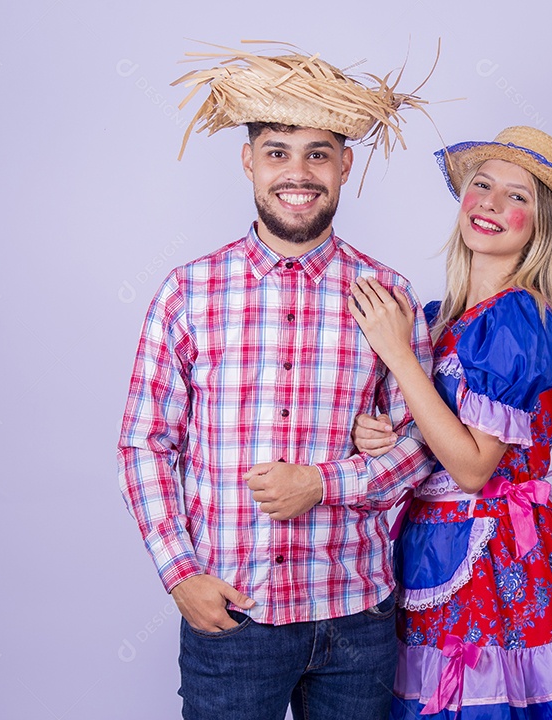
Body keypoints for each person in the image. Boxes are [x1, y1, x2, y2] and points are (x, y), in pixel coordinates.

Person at [117, 43, 435, 720]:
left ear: (345, 165)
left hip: (358, 615)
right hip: (235, 615)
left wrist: (323, 484)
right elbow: (144, 444)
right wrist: (181, 575)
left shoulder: (388, 297)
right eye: (278, 151)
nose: (299, 172)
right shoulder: (188, 293)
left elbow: (420, 447)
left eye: (319, 153)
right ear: (249, 161)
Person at [349, 125, 552, 718]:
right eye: (482, 185)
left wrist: (396, 354)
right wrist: (386, 432)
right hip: (430, 548)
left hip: (493, 565)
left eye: (517, 196)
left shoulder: (518, 318)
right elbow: (438, 433)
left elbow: (471, 468)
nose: (490, 203)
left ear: (539, 225)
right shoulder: (445, 317)